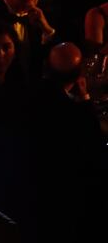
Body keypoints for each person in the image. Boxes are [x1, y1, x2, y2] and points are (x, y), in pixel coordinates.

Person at [29, 43, 108, 242]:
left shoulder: (32, 93)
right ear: (79, 75)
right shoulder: (74, 114)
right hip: (69, 193)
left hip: (34, 186)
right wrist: (85, 98)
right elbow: (95, 144)